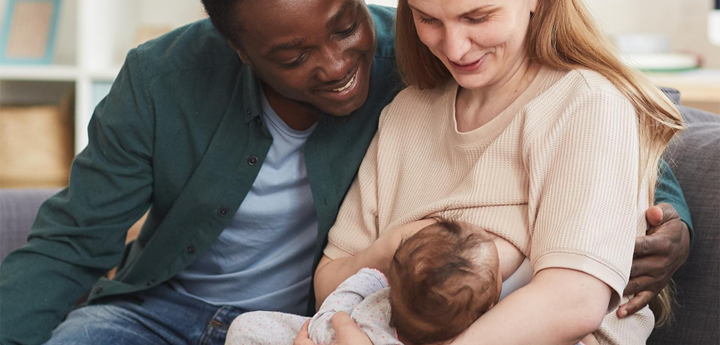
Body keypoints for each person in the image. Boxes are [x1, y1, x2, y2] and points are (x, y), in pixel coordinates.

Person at [0, 1, 690, 344]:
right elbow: (67, 242)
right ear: (237, 49)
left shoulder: (417, 61)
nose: (334, 65)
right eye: (294, 54)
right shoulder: (162, 79)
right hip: (193, 312)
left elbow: (598, 143)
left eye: (340, 26)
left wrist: (669, 214)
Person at [309, 0, 688, 344]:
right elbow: (328, 283)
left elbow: (574, 302)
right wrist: (392, 248)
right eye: (428, 19)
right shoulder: (405, 113)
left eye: (478, 17)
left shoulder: (586, 104)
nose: (454, 47)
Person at [227, 219, 513, 345]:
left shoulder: (370, 315)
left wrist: (368, 278)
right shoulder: (459, 323)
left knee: (244, 327)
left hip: (320, 332)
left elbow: (327, 317)